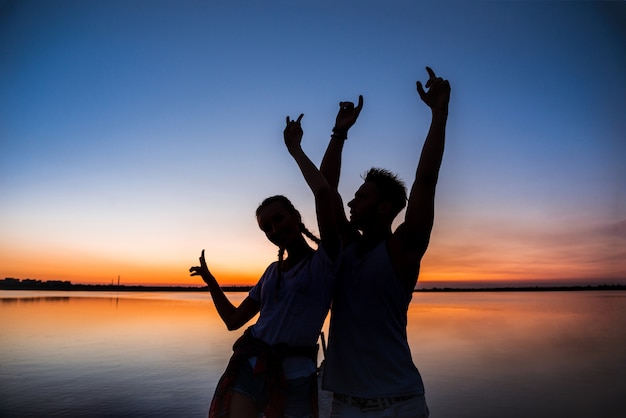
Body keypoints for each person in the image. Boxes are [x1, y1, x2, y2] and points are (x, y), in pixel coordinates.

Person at [319, 67, 451, 417]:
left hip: (399, 404)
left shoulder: (402, 249)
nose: (351, 203)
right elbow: (325, 188)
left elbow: (426, 181)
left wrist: (439, 114)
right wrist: (339, 133)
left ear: (385, 206)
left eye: (361, 197)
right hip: (343, 404)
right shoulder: (346, 246)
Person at [189, 115, 340, 418]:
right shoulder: (272, 271)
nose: (273, 230)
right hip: (249, 368)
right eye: (266, 227)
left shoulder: (325, 260)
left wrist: (295, 150)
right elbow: (233, 320)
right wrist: (211, 282)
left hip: (296, 378)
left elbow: (324, 193)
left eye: (278, 219)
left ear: (296, 216)